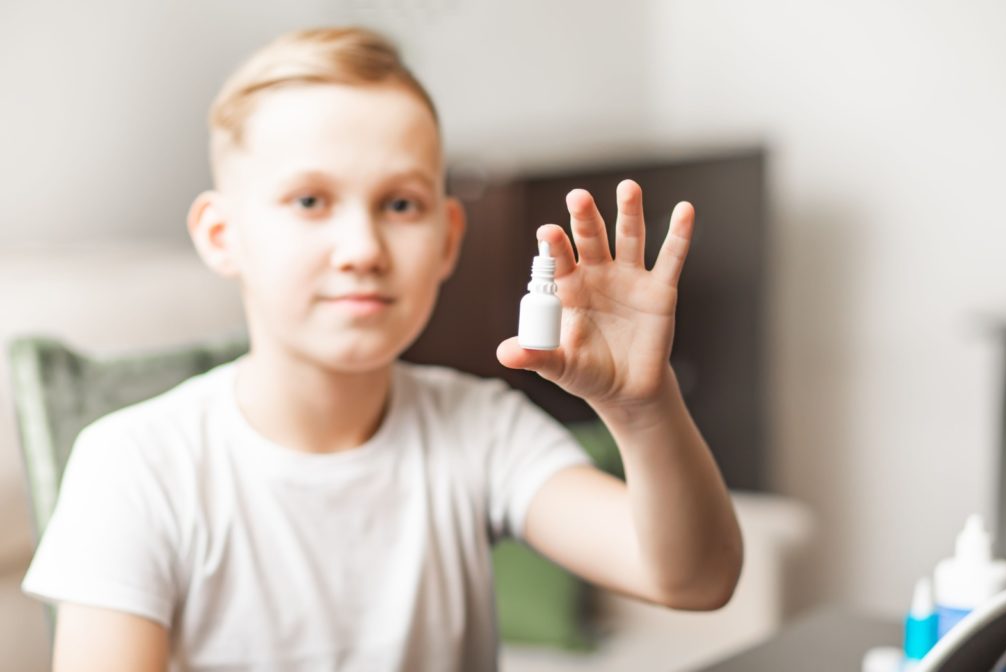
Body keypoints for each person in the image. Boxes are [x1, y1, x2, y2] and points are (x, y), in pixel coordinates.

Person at [21, 26, 743, 671]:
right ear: (221, 235)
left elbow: (694, 579)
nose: (363, 249)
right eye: (310, 201)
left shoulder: (480, 429)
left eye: (400, 205)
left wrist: (642, 408)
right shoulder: (133, 467)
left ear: (448, 237)